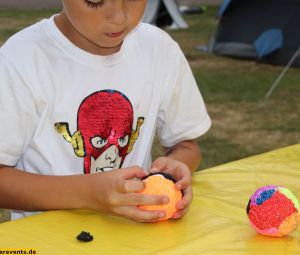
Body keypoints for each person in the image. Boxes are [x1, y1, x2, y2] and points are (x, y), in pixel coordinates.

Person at [0, 0, 211, 223]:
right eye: (95, 1)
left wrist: (177, 166)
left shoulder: (160, 49)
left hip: (134, 238)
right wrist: (89, 194)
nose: (119, 17)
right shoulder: (20, 60)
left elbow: (186, 146)